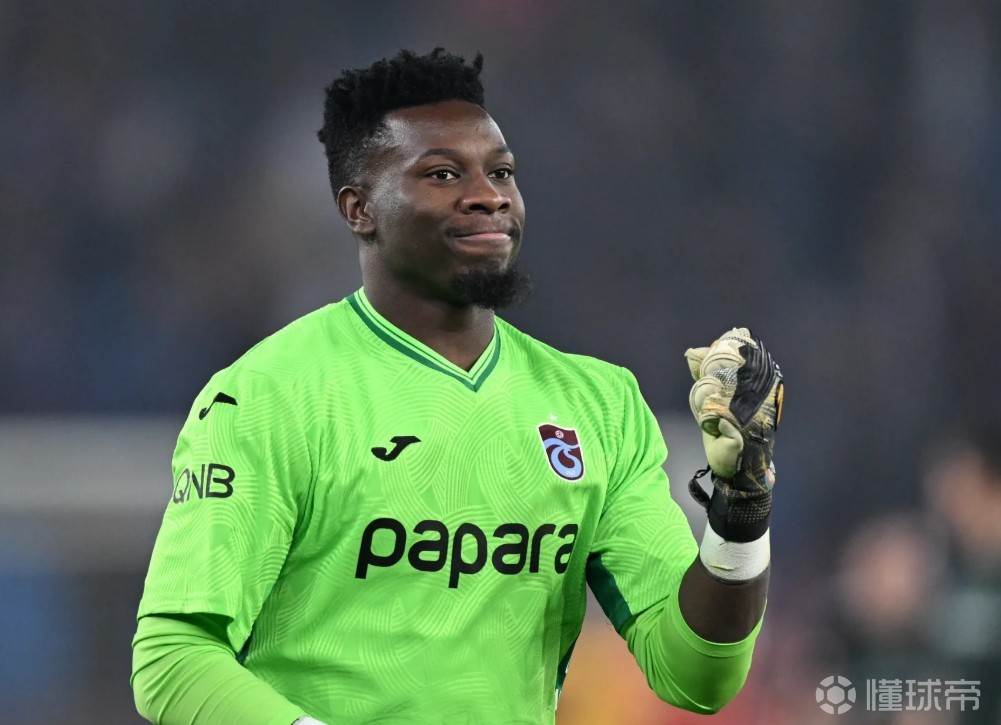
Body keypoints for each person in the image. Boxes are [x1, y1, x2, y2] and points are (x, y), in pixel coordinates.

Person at [130, 48, 783, 725]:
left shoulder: (599, 405)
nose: (488, 195)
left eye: (501, 172)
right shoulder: (270, 394)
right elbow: (173, 657)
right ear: (359, 208)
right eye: (443, 174)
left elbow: (697, 675)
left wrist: (740, 514)